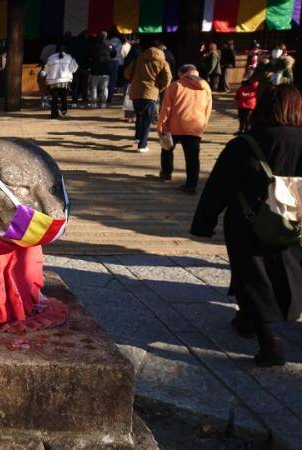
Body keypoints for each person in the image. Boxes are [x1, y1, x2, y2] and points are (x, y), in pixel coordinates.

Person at [191, 85, 302, 367]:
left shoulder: (245, 144)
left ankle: (270, 343)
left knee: (252, 274)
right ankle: (246, 320)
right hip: (296, 221)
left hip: (249, 220)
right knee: (289, 269)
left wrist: (205, 222)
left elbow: (219, 186)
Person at [156, 64, 212, 194]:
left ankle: (166, 173)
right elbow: (208, 108)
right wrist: (204, 123)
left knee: (167, 148)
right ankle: (191, 185)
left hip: (175, 124)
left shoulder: (176, 85)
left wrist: (161, 125)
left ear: (182, 73)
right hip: (195, 125)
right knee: (192, 157)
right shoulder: (206, 86)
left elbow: (166, 108)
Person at [125, 42, 172, 153]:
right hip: (151, 92)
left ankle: (137, 137)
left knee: (139, 115)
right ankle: (142, 144)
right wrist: (159, 87)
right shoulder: (163, 62)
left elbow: (127, 73)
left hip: (136, 91)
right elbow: (168, 78)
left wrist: (134, 81)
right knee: (147, 120)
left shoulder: (139, 58)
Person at [42, 45, 79, 119]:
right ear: (65, 50)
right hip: (64, 81)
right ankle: (63, 111)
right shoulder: (69, 57)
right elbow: (74, 68)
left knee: (54, 98)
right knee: (64, 97)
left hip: (53, 82)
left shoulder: (51, 58)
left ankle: (54, 115)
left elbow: (46, 70)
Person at [89, 32, 112, 108]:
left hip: (96, 70)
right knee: (104, 88)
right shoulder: (109, 45)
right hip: (106, 70)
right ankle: (103, 103)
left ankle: (94, 103)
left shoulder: (94, 45)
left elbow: (90, 55)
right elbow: (114, 53)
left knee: (94, 87)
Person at [68, 31, 91, 108]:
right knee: (84, 83)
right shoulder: (87, 43)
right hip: (84, 66)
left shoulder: (73, 42)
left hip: (75, 66)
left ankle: (74, 99)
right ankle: (84, 98)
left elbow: (70, 53)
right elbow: (89, 55)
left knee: (74, 84)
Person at [39, 41, 58, 109]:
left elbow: (41, 58)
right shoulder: (55, 48)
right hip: (50, 71)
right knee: (50, 87)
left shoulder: (45, 48)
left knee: (42, 87)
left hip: (43, 70)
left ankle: (42, 102)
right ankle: (46, 102)